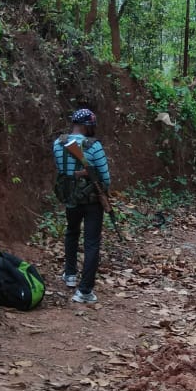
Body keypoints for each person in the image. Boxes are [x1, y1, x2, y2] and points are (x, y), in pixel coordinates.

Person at [53, 107, 111, 304]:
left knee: (71, 233)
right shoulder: (94, 147)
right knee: (91, 242)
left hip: (70, 198)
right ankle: (85, 290)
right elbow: (105, 178)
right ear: (87, 126)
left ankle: (70, 274)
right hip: (92, 201)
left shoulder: (57, 144)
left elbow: (63, 172)